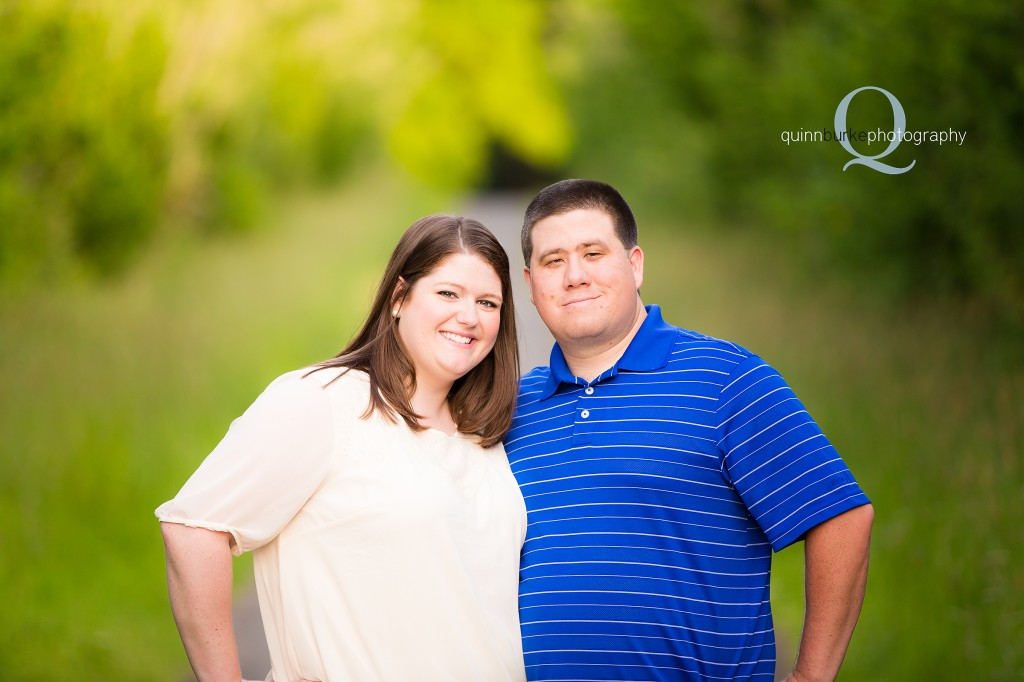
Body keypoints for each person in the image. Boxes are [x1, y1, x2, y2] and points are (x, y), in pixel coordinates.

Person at [504, 179, 874, 681]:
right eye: (553, 261)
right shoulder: (511, 408)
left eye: (593, 252)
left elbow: (842, 517)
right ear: (530, 284)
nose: (574, 275)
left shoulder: (724, 379)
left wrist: (811, 676)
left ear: (634, 264)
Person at [156, 215, 528, 682]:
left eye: (488, 302)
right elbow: (192, 531)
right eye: (447, 293)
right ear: (399, 297)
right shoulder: (324, 401)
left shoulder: (484, 435)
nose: (469, 316)